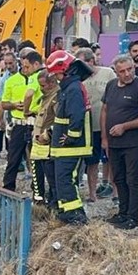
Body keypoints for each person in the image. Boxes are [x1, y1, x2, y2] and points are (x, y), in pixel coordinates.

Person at [101, 54, 138, 229]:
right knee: (118, 178)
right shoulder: (111, 86)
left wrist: (125, 126)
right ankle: (122, 212)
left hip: (135, 142)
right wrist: (104, 138)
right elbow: (104, 111)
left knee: (133, 179)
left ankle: (133, 216)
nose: (127, 74)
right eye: (122, 71)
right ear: (116, 72)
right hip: (114, 142)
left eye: (130, 69)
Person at [46, 50, 93, 225]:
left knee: (66, 180)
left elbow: (76, 117)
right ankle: (66, 211)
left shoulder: (73, 89)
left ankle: (75, 217)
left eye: (56, 74)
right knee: (61, 179)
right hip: (64, 145)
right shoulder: (70, 87)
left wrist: (71, 137)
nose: (55, 77)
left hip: (72, 146)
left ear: (64, 70)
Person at [77, 47, 116, 203]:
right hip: (89, 126)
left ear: (91, 61)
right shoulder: (80, 77)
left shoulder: (107, 73)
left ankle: (115, 193)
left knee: (112, 159)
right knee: (91, 162)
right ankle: (92, 194)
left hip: (108, 124)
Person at [0, 51, 41, 191]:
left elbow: (31, 95)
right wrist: (14, 105)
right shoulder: (11, 81)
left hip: (35, 122)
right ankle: (8, 187)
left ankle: (36, 188)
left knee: (35, 158)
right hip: (18, 123)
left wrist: (27, 110)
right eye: (24, 66)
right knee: (13, 157)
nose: (25, 69)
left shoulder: (38, 77)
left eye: (27, 66)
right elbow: (3, 103)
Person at [30, 68, 58, 205]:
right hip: (39, 145)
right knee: (37, 176)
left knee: (51, 177)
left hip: (48, 145)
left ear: (52, 82)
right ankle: (40, 201)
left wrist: (47, 135)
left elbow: (59, 121)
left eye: (43, 85)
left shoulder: (56, 97)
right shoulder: (46, 97)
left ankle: (53, 204)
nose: (40, 89)